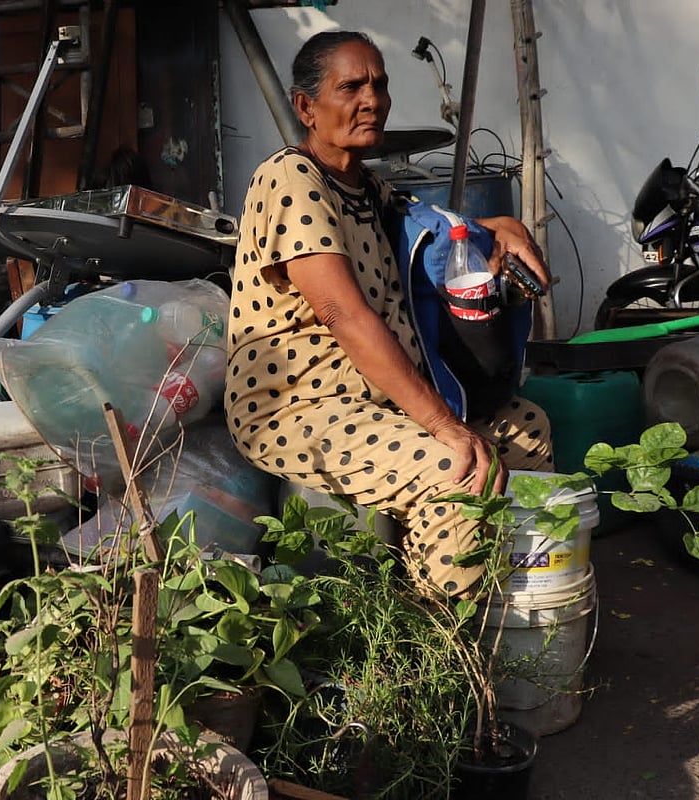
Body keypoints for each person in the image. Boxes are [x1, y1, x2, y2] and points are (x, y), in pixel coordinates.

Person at [225, 31, 555, 598]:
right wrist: (443, 424)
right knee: (455, 469)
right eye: (351, 87)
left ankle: (521, 610)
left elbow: (439, 225)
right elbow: (343, 313)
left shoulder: (368, 188)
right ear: (306, 106)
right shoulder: (290, 179)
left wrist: (505, 228)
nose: (372, 100)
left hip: (374, 399)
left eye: (379, 85)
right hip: (297, 406)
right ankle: (439, 631)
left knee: (527, 429)